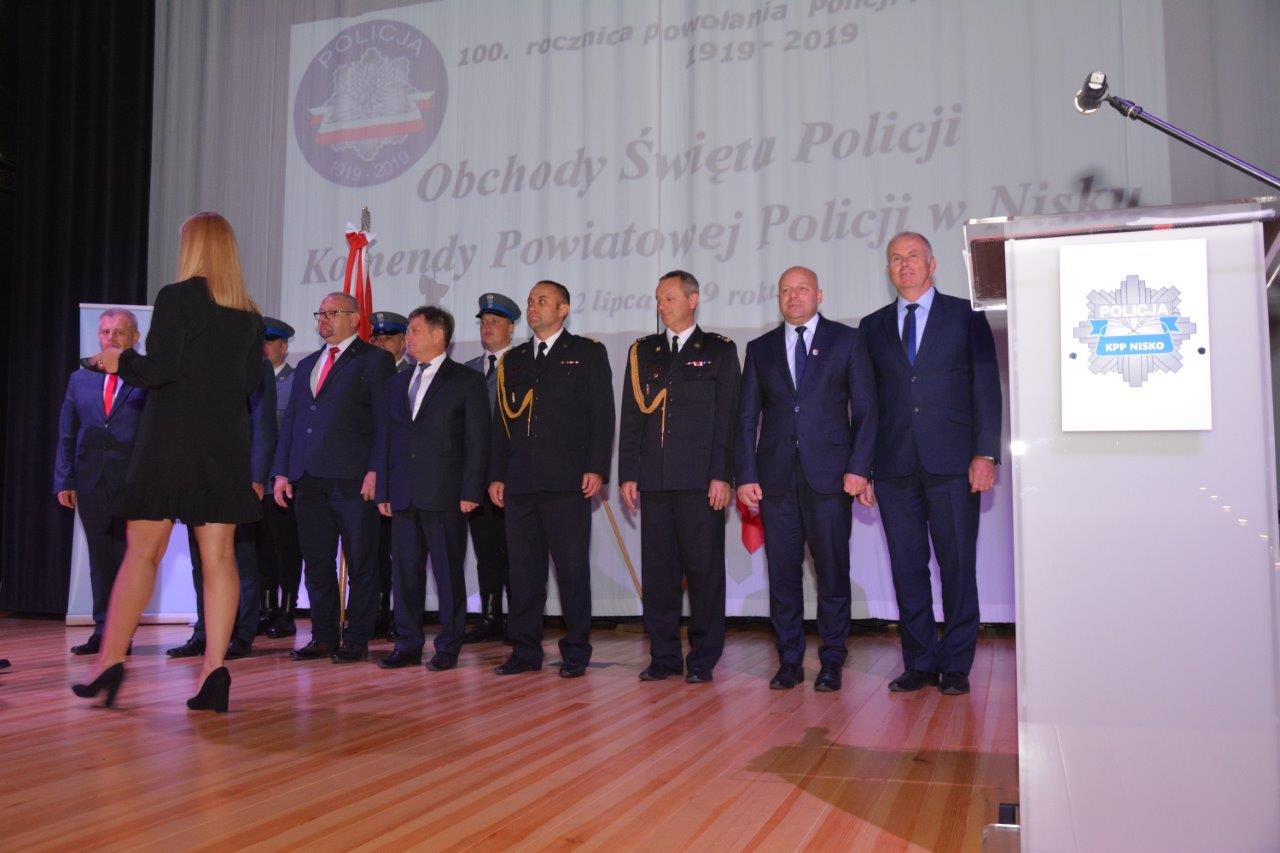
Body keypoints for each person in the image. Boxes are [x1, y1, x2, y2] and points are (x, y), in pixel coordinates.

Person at [71, 211, 265, 713]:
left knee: (142, 553)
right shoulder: (248, 313)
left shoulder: (177, 297)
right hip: (223, 447)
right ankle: (214, 670)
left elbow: (156, 370)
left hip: (170, 443)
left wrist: (120, 361)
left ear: (192, 247)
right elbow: (251, 382)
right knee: (219, 558)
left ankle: (111, 662)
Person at [858, 232, 1002, 696]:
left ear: (932, 263)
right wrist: (863, 466)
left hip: (954, 464)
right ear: (888, 269)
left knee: (957, 565)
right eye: (895, 259)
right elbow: (867, 404)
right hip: (893, 466)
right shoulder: (872, 327)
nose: (905, 265)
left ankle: (956, 665)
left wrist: (986, 453)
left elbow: (986, 387)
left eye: (913, 257)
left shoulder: (965, 315)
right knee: (907, 569)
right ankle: (919, 661)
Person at [736, 266, 877, 692]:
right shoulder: (760, 348)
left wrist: (859, 467)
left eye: (801, 289)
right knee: (782, 575)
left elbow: (866, 409)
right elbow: (746, 418)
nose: (793, 296)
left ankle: (832, 659)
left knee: (832, 572)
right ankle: (789, 660)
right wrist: (745, 474)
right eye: (785, 290)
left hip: (831, 479)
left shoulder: (847, 340)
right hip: (775, 480)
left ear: (819, 295)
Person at [487, 281, 614, 678]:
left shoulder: (587, 353)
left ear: (563, 310)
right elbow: (501, 422)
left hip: (566, 481)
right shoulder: (514, 359)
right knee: (524, 573)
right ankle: (524, 650)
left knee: (571, 570)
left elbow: (602, 414)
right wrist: (496, 474)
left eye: (542, 301)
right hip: (520, 482)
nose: (533, 307)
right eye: (530, 301)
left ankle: (575, 650)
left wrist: (597, 467)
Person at [619, 270, 739, 684]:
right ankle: (664, 656)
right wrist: (628, 472)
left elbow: (727, 419)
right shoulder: (642, 351)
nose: (662, 306)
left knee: (704, 573)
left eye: (669, 298)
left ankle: (703, 658)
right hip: (654, 480)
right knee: (659, 575)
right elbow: (632, 418)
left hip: (699, 481)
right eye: (658, 299)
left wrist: (722, 475)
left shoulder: (719, 349)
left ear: (692, 300)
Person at [272, 292, 394, 664]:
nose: (323, 319)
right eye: (320, 313)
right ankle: (323, 636)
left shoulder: (375, 360)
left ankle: (356, 638)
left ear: (355, 318)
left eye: (333, 312)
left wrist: (376, 469)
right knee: (316, 562)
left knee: (361, 562)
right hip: (308, 477)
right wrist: (282, 471)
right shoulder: (308, 363)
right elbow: (293, 422)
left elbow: (384, 422)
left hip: (353, 479)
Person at [376, 306, 489, 670]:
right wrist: (383, 490)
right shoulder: (397, 383)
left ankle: (448, 646)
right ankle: (407, 644)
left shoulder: (466, 380)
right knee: (405, 575)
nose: (407, 337)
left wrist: (471, 491)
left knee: (447, 575)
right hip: (403, 494)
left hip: (445, 494)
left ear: (438, 335)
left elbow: (477, 441)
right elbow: (386, 440)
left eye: (414, 330)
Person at [165, 360, 276, 660]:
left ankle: (241, 633)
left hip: (238, 478)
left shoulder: (254, 365)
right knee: (200, 561)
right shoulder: (191, 364)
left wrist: (257, 476)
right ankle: (205, 632)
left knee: (241, 559)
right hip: (196, 478)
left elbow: (264, 425)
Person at [54, 308, 147, 656]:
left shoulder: (147, 378)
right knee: (101, 559)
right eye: (106, 332)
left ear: (135, 338)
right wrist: (64, 479)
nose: (111, 338)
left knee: (129, 559)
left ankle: (123, 633)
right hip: (90, 479)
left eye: (120, 332)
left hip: (133, 482)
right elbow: (67, 432)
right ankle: (103, 630)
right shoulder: (80, 379)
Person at [461, 292, 520, 643]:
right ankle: (490, 615)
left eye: (495, 322)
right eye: (484, 322)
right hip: (476, 477)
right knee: (485, 551)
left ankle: (519, 619)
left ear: (511, 328)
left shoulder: (524, 365)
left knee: (516, 550)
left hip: (513, 476)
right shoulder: (468, 370)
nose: (488, 328)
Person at [257, 317, 303, 637]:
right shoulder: (249, 380)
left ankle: (287, 610)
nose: (263, 348)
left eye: (270, 342)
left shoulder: (296, 380)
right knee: (260, 547)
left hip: (281, 480)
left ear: (284, 347)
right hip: (254, 481)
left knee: (286, 547)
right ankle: (266, 608)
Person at [369, 310, 413, 639]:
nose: (381, 343)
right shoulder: (367, 373)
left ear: (403, 343)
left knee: (404, 554)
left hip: (402, 478)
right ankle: (378, 612)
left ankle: (402, 616)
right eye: (376, 338)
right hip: (371, 477)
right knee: (373, 551)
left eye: (388, 338)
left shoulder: (413, 376)